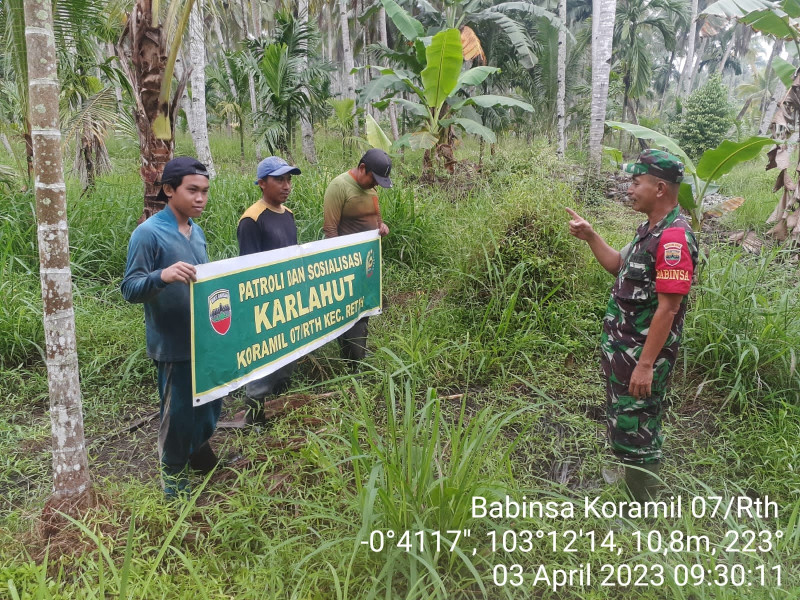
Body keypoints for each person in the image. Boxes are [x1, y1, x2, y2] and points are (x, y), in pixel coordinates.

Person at [566, 149, 698, 503]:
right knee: (626, 419)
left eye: (636, 182)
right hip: (625, 351)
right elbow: (617, 265)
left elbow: (669, 309)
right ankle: (631, 481)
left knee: (639, 426)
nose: (630, 188)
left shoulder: (673, 239)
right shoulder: (649, 230)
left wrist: (644, 365)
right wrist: (592, 236)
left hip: (642, 354)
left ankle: (642, 504)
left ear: (659, 188)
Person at [121, 157, 222, 498]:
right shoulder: (148, 234)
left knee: (210, 403)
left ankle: (197, 451)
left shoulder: (197, 232)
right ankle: (173, 474)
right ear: (168, 190)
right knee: (177, 411)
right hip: (172, 342)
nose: (200, 199)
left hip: (204, 338)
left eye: (205, 192)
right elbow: (129, 288)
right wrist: (161, 276)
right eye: (192, 190)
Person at [238, 156, 302, 424]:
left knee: (286, 349)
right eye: (279, 180)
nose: (286, 185)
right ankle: (254, 413)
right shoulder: (252, 219)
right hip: (264, 300)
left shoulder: (288, 215)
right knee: (264, 353)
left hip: (289, 295)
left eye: (288, 180)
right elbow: (248, 266)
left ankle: (280, 401)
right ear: (262, 184)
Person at [323, 148, 391, 363]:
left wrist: (382, 228)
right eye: (374, 179)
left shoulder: (371, 190)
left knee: (365, 309)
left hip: (367, 264)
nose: (375, 184)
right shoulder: (339, 186)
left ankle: (356, 355)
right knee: (350, 313)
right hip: (346, 265)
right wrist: (338, 264)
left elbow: (377, 221)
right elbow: (330, 229)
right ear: (362, 168)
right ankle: (353, 361)